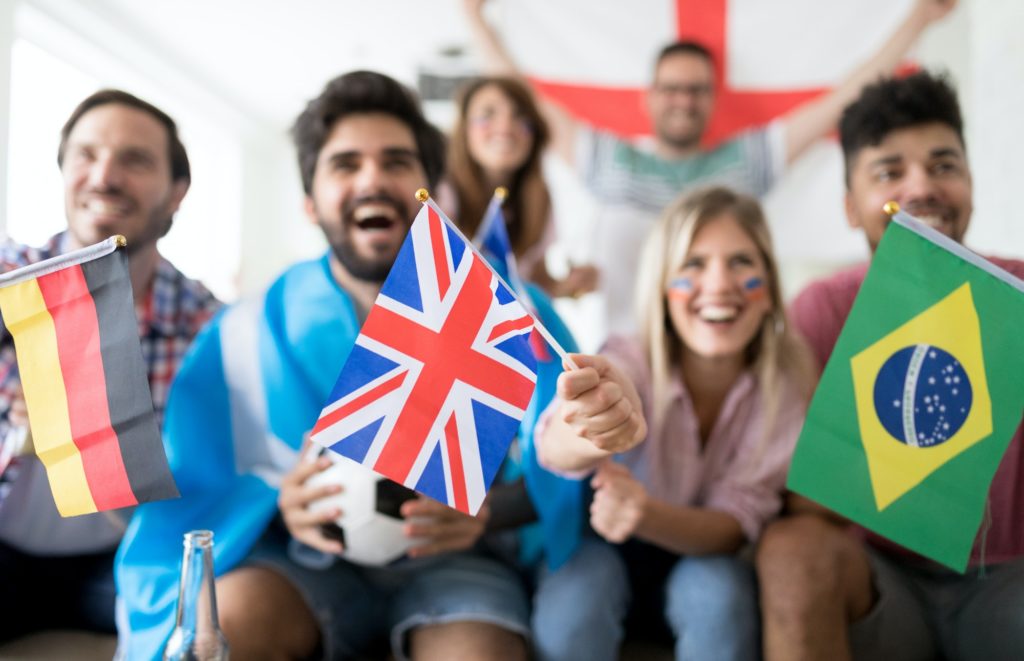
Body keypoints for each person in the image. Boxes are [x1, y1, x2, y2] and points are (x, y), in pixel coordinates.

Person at [116, 71, 540, 661]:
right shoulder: (246, 330)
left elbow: (567, 460)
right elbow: (201, 484)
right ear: (311, 203)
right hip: (301, 566)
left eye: (396, 161)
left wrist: (488, 510)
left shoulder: (500, 307)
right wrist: (277, 503)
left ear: (430, 189)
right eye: (345, 164)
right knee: (221, 629)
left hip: (455, 565)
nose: (372, 179)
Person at [464, 0, 957, 337]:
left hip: (717, 362)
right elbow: (520, 94)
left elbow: (846, 97)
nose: (683, 100)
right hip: (623, 360)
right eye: (671, 88)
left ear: (711, 99)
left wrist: (920, 19)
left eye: (696, 89)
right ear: (649, 97)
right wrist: (472, 18)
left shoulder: (747, 163)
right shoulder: (605, 160)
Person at [755, 71, 1024, 661]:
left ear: (972, 185)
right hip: (879, 578)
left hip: (1009, 580)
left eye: (943, 165)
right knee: (792, 548)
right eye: (890, 172)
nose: (922, 186)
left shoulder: (1019, 294)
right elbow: (792, 494)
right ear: (851, 208)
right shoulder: (821, 310)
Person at [537, 186, 816, 659]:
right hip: (601, 548)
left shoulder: (786, 382)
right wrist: (593, 424)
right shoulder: (630, 356)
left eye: (742, 263)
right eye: (693, 264)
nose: (719, 284)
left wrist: (644, 514)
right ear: (663, 289)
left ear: (769, 288)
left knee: (719, 600)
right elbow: (552, 446)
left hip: (704, 555)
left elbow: (734, 523)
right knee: (573, 611)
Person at [0, 89, 220, 642]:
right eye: (86, 154)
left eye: (135, 159)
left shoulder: (208, 326)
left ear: (177, 193)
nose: (104, 176)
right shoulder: (10, 283)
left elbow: (220, 484)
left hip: (127, 562)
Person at [447, 75, 597, 298]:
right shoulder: (440, 193)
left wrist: (571, 285)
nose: (505, 126)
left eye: (519, 116)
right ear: (463, 129)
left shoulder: (539, 200)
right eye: (488, 114)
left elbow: (533, 284)